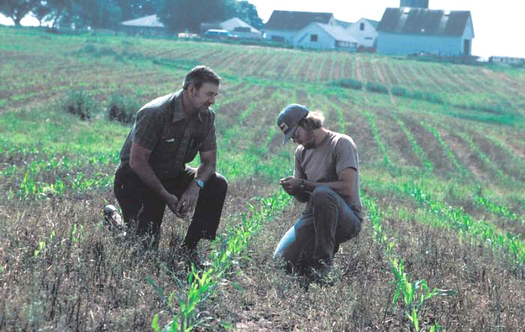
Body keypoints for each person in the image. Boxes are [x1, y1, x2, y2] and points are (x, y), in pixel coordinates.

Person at [106, 66, 228, 251]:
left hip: (172, 174)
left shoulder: (207, 117)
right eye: (209, 94)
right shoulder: (155, 113)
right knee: (143, 247)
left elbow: (209, 162)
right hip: (136, 180)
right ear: (192, 90)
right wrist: (164, 195)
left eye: (215, 95)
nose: (212, 101)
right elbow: (137, 161)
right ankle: (115, 222)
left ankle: (190, 249)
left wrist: (195, 188)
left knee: (216, 183)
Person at [273, 104, 363, 278]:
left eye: (296, 134)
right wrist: (294, 189)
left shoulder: (341, 143)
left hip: (347, 219)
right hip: (315, 215)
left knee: (322, 194)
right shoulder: (301, 153)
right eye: (291, 138)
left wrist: (303, 184)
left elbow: (346, 187)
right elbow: (303, 196)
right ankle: (312, 254)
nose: (295, 141)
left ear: (307, 123)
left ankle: (322, 266)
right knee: (280, 261)